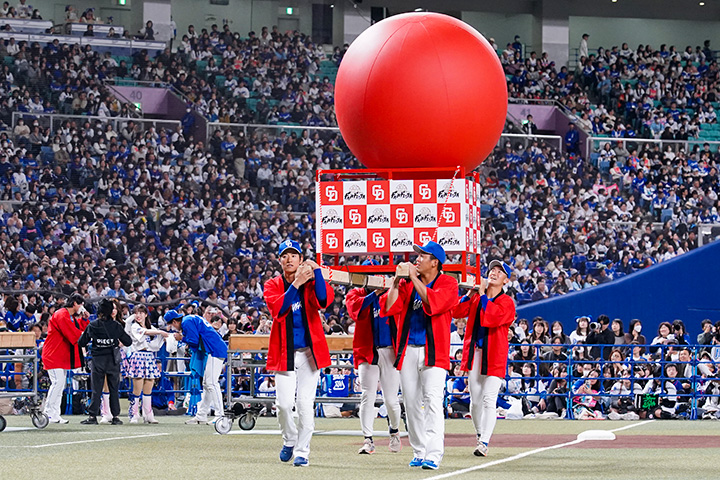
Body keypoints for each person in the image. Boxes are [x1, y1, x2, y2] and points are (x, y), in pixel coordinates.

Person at [381, 241, 458, 471]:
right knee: (411, 402)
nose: (417, 259)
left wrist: (413, 278)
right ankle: (419, 450)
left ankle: (434, 454)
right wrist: (396, 281)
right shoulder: (406, 284)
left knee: (433, 400)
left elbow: (433, 303)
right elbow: (389, 307)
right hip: (408, 349)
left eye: (422, 255)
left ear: (435, 263)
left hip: (435, 351)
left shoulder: (448, 283)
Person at [264, 239, 333, 467]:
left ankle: (303, 452)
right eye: (285, 255)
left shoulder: (311, 283)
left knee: (304, 403)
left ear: (301, 259)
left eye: (294, 255)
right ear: (279, 260)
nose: (289, 259)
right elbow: (278, 310)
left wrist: (317, 271)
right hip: (284, 352)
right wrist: (296, 284)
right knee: (283, 405)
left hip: (309, 353)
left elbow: (324, 300)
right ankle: (290, 439)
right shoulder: (272, 284)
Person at [452, 260, 515, 457]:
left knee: (489, 399)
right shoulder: (477, 297)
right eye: (492, 270)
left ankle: (484, 442)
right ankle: (480, 434)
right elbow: (456, 312)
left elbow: (493, 318)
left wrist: (481, 295)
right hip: (476, 354)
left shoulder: (507, 302)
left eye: (499, 272)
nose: (494, 273)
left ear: (506, 280)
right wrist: (469, 294)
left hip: (495, 355)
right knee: (476, 400)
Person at [346, 286, 402, 455]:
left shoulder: (393, 292)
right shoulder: (356, 293)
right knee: (367, 395)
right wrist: (374, 294)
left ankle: (394, 430)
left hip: (390, 350)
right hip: (366, 350)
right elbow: (354, 310)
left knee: (391, 399)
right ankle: (368, 439)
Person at [77, 299, 132, 425]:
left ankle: (92, 416)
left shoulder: (93, 325)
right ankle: (115, 416)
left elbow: (81, 342)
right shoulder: (116, 326)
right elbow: (128, 341)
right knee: (114, 389)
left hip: (98, 360)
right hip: (112, 360)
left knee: (96, 389)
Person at [177, 306, 228, 425]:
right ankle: (201, 415)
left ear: (174, 322)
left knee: (212, 383)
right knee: (206, 384)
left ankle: (220, 415)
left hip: (214, 350)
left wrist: (182, 338)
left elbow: (194, 341)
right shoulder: (190, 318)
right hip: (213, 349)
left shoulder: (187, 321)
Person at [41, 293, 87, 424]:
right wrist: (85, 335)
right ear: (75, 304)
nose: (82, 307)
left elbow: (78, 328)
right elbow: (72, 334)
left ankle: (55, 414)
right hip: (53, 354)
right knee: (57, 383)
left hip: (60, 355)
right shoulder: (61, 314)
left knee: (60, 385)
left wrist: (84, 319)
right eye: (81, 304)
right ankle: (48, 412)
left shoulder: (68, 316)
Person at [124, 305, 169, 423]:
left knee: (149, 387)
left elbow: (155, 341)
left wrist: (166, 336)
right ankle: (134, 414)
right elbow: (147, 332)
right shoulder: (135, 326)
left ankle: (148, 415)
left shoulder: (151, 327)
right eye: (136, 313)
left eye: (141, 313)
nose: (138, 315)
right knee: (137, 388)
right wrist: (161, 332)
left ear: (145, 314)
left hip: (149, 357)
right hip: (138, 356)